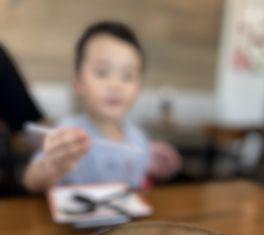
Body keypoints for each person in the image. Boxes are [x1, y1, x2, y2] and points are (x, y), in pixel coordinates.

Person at [23, 21, 182, 192]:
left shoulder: (139, 139)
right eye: (102, 72)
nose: (115, 85)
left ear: (138, 88)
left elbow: (141, 188)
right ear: (78, 82)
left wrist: (158, 170)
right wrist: (50, 167)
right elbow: (30, 181)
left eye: (127, 76)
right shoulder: (67, 132)